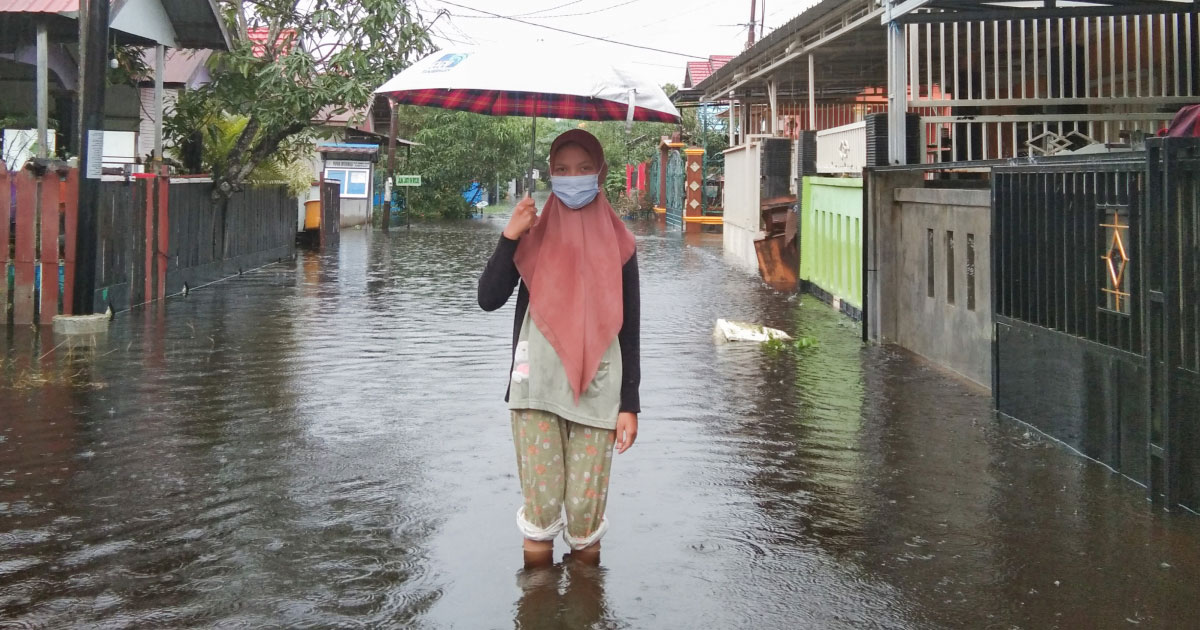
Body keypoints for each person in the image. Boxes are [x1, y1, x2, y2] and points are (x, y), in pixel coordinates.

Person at [477, 129, 640, 568]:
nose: (573, 178)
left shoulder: (621, 242)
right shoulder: (531, 231)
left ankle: (585, 609)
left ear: (600, 173)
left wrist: (630, 403)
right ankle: (539, 607)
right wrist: (510, 236)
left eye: (584, 169)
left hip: (598, 391)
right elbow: (488, 298)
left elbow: (630, 329)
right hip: (536, 392)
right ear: (549, 174)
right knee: (540, 519)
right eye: (563, 170)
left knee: (586, 528)